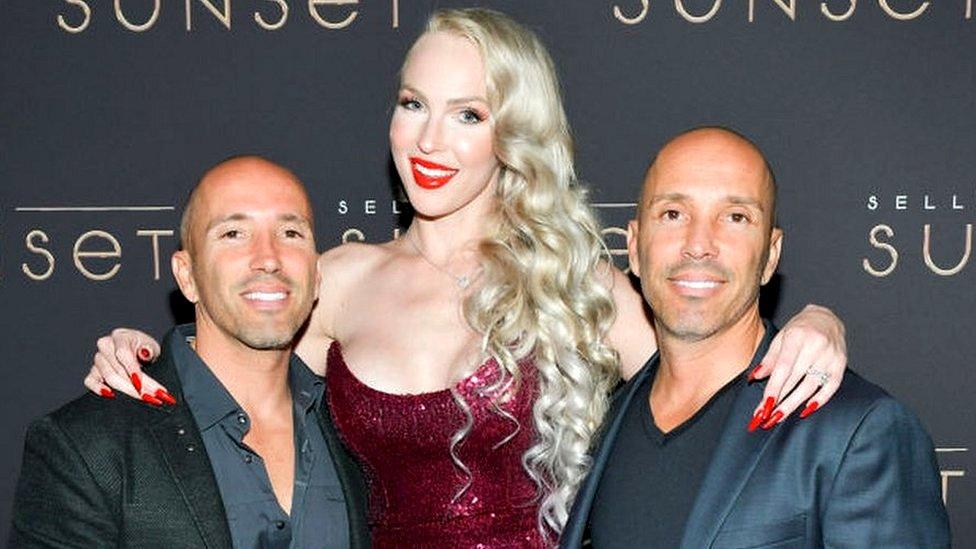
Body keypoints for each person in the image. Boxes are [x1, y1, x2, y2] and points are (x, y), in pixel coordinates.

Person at [81, 9, 849, 547]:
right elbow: (232, 378)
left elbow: (712, 363)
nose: (429, 139)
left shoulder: (576, 284)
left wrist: (819, 324)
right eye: (414, 104)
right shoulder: (336, 283)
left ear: (513, 136)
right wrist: (144, 354)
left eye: (468, 115)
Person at [561, 127, 950, 548]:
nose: (698, 245)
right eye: (673, 213)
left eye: (735, 217)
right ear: (634, 248)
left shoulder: (854, 431)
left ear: (771, 255)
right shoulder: (602, 418)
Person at [10, 157, 370, 548]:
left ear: (316, 278)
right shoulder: (88, 447)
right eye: (234, 233)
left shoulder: (358, 432)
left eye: (290, 233)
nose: (268, 257)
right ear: (187, 276)